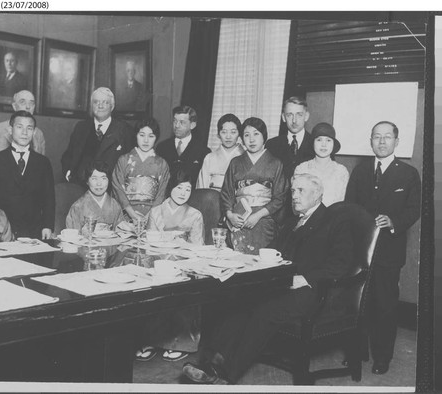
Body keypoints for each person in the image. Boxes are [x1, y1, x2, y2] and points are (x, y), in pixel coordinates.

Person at [182, 173, 355, 384]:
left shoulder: (336, 220)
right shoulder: (293, 221)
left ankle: (227, 374)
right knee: (241, 300)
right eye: (293, 191)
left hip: (316, 291)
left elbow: (341, 264)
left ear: (318, 194)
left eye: (301, 191)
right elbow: (273, 251)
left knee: (266, 310)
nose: (295, 196)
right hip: (284, 284)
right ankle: (210, 361)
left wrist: (306, 278)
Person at [345, 121, 421, 375]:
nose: (381, 141)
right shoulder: (360, 170)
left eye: (387, 137)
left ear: (396, 141)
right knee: (357, 303)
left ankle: (382, 357)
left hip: (389, 251)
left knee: (385, 306)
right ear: (370, 141)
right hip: (359, 251)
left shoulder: (409, 174)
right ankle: (356, 352)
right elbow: (349, 206)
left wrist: (393, 222)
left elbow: (414, 209)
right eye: (377, 137)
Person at [136, 169, 204, 363]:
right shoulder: (156, 211)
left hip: (183, 264)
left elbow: (197, 247)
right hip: (158, 261)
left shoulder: (195, 214)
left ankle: (180, 343)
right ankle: (149, 339)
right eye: (179, 187)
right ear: (170, 188)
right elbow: (150, 242)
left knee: (183, 289)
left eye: (188, 189)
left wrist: (181, 249)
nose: (183, 193)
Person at [221, 117, 287, 255]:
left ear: (264, 136)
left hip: (264, 219)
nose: (251, 139)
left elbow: (279, 197)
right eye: (246, 135)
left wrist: (257, 216)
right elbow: (227, 193)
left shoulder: (275, 163)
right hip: (238, 219)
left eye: (256, 134)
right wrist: (230, 215)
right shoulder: (235, 163)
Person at [0, 111, 55, 240]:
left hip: (35, 231)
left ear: (34, 132)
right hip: (4, 229)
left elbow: (49, 198)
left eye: (29, 128)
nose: (24, 132)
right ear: (10, 130)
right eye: (19, 127)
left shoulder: (43, 162)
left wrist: (48, 226)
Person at [61, 87, 134, 186]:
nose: (100, 105)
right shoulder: (81, 127)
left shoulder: (124, 130)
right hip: (80, 186)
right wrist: (69, 172)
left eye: (105, 102)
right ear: (91, 106)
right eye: (96, 102)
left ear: (112, 107)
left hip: (111, 188)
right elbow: (68, 156)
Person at [111, 117, 170, 222]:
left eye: (151, 136)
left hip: (152, 215)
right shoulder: (124, 160)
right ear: (136, 136)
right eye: (142, 135)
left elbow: (162, 193)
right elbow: (117, 188)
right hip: (126, 213)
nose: (146, 140)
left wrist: (148, 216)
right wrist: (132, 214)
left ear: (156, 138)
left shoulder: (161, 164)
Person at [0, 90, 46, 166]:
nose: (28, 107)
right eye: (22, 102)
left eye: (31, 103)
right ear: (14, 106)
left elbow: (42, 167)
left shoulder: (39, 134)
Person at [294, 122, 349, 206]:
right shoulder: (301, 169)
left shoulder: (341, 171)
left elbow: (341, 203)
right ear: (313, 143)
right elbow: (297, 203)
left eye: (328, 140)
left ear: (333, 144)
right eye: (319, 140)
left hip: (334, 217)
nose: (324, 144)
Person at [156, 105, 210, 188]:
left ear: (192, 125)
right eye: (175, 121)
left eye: (182, 122)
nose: (177, 125)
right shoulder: (161, 148)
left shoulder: (203, 152)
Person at [66, 161, 124, 233]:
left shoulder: (115, 205)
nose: (99, 183)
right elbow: (72, 237)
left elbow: (121, 234)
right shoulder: (77, 207)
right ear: (87, 181)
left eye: (103, 178)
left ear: (109, 181)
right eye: (94, 178)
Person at [265, 96, 314, 179]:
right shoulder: (272, 145)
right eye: (289, 115)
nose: (294, 120)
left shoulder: (315, 144)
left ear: (306, 116)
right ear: (283, 117)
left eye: (299, 115)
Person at [196, 114, 244, 191]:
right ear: (218, 134)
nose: (228, 136)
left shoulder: (245, 156)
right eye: (224, 132)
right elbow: (202, 188)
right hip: (212, 200)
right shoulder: (209, 158)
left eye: (233, 132)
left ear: (239, 134)